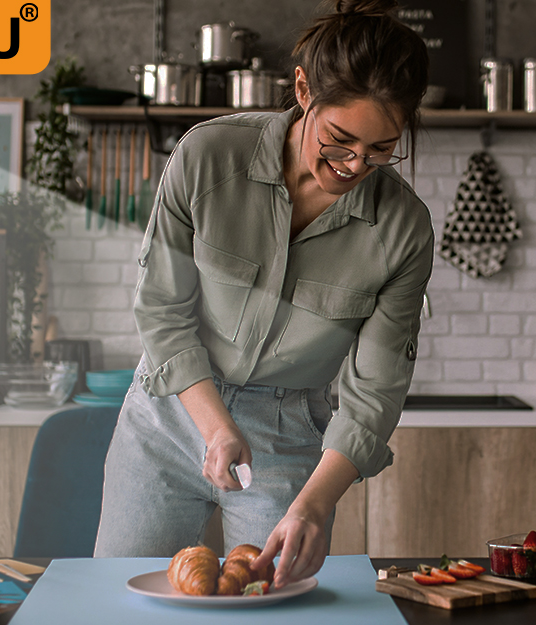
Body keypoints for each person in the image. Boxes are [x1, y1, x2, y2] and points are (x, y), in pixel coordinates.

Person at [92, 0, 432, 590]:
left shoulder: (403, 229)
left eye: (381, 149)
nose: (355, 166)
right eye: (339, 140)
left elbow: (375, 391)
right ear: (303, 90)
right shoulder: (206, 157)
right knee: (122, 601)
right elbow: (163, 310)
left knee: (274, 603)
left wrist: (316, 504)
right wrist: (216, 426)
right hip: (169, 415)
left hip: (288, 433)